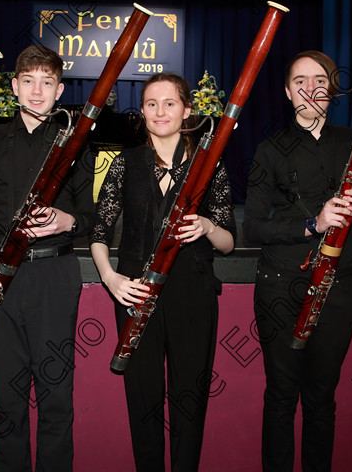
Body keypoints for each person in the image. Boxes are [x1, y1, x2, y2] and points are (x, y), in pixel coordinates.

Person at [0, 45, 93, 472]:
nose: (37, 91)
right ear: (14, 86)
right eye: (28, 81)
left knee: (56, 397)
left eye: (47, 82)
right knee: (6, 403)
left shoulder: (75, 142)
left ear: (59, 90)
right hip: (0, 279)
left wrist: (66, 219)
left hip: (55, 275)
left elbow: (89, 216)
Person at [243, 51, 352, 472]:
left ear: (332, 89)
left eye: (319, 80)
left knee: (322, 398)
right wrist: (313, 223)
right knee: (282, 396)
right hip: (280, 283)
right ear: (288, 93)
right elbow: (252, 227)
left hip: (338, 286)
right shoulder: (269, 150)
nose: (310, 88)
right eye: (300, 80)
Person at [90, 72, 235, 472]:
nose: (160, 111)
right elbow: (99, 231)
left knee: (189, 400)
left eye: (169, 103)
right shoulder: (124, 163)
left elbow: (229, 242)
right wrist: (110, 277)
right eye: (151, 104)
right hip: (134, 292)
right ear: (142, 112)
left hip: (193, 292)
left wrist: (207, 227)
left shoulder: (209, 164)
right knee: (143, 401)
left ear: (186, 110)